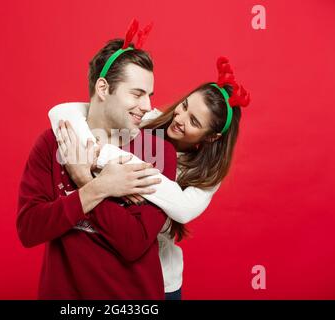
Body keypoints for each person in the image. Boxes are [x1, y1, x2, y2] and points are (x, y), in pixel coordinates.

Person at [48, 56, 251, 300]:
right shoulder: (146, 119)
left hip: (159, 281)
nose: (179, 119)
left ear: (211, 137)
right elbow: (62, 111)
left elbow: (183, 208)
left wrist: (99, 157)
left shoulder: (206, 175)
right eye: (185, 106)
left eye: (194, 121)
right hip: (104, 267)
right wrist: (94, 153)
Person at [17, 21, 178, 299]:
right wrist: (98, 188)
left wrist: (83, 178)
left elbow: (134, 243)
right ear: (103, 88)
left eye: (149, 95)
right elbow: (29, 229)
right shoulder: (54, 143)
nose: (147, 106)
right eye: (137, 94)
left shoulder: (159, 153)